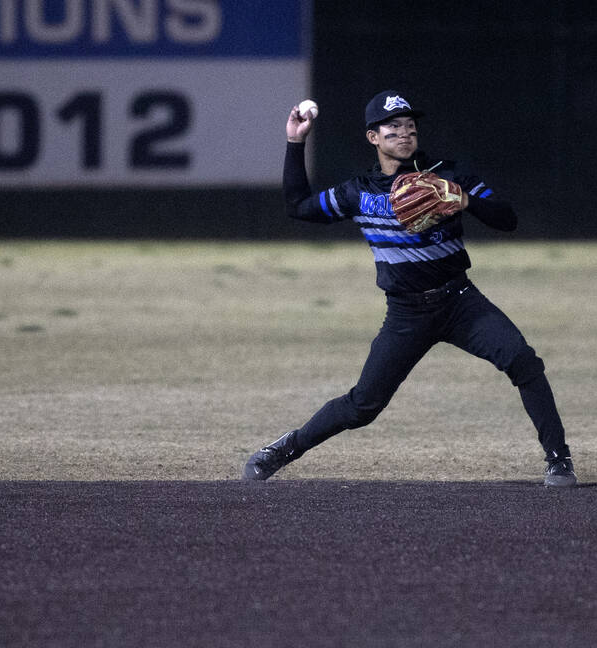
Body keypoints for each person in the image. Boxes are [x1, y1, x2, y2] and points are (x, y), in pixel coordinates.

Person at [242, 90, 576, 487]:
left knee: (524, 362)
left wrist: (465, 199)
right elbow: (298, 206)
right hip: (407, 314)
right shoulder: (359, 192)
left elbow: (507, 220)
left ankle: (559, 460)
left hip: (461, 301)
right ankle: (281, 450)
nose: (404, 133)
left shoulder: (448, 176)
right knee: (363, 406)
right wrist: (296, 142)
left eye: (410, 126)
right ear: (373, 137)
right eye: (393, 127)